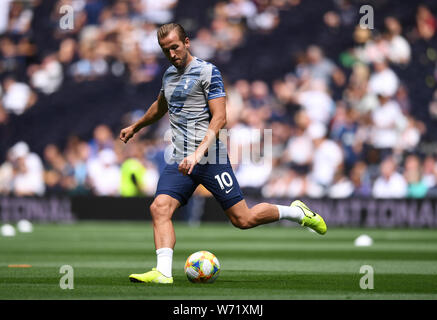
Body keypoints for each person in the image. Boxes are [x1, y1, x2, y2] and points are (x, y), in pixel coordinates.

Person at [119, 23, 327, 284]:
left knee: (243, 219)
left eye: (174, 47)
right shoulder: (169, 75)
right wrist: (136, 127)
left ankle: (297, 213)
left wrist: (198, 154)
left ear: (186, 42)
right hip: (180, 158)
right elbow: (160, 107)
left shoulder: (208, 72)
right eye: (165, 50)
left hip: (209, 158)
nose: (171, 54)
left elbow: (220, 119)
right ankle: (162, 272)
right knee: (160, 207)